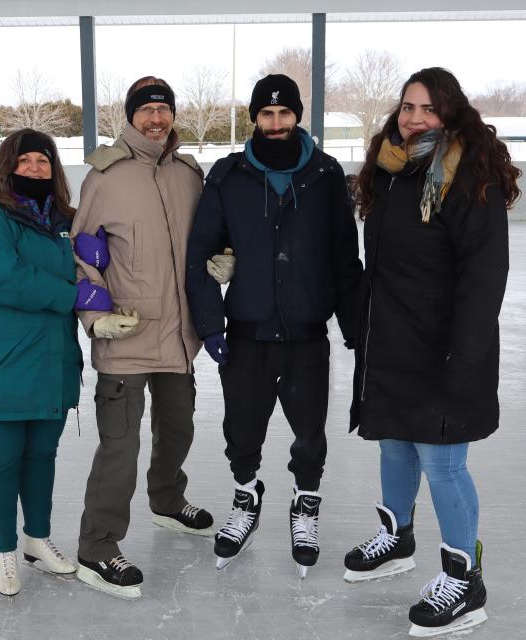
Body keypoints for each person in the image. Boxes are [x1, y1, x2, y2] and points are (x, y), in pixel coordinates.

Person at [343, 68, 520, 637]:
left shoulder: (470, 174)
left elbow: (485, 275)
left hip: (445, 344)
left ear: (450, 112)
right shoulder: (392, 169)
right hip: (393, 337)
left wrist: (464, 355)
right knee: (394, 444)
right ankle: (396, 538)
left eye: (426, 108)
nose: (413, 117)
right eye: (406, 106)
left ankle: (464, 579)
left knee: (442, 462)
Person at [185, 74, 362, 577]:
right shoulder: (228, 175)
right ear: (255, 118)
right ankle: (246, 495)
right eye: (267, 114)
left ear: (298, 116)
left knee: (310, 431)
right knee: (242, 430)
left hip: (307, 333)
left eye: (285, 114)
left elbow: (346, 260)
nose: (277, 123)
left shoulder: (326, 175)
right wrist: (211, 323)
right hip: (246, 331)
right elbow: (200, 253)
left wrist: (355, 329)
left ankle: (306, 502)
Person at [71, 76, 225, 600]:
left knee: (178, 429)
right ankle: (96, 546)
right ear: (131, 117)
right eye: (147, 111)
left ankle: (166, 499)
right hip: (128, 335)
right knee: (120, 448)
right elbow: (82, 255)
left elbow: (204, 238)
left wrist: (219, 261)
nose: (156, 119)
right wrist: (97, 320)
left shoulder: (188, 174)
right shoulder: (106, 176)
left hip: (180, 335)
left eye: (164, 110)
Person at [0, 128, 113, 597]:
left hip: (50, 362)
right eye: (26, 162)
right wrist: (69, 294)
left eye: (44, 162)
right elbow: (0, 277)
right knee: (2, 460)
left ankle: (37, 540)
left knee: (42, 457)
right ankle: (4, 551)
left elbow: (90, 263)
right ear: (7, 166)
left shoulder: (63, 220)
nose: (36, 169)